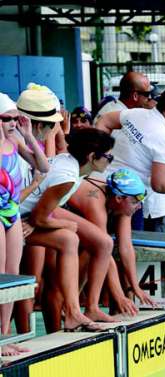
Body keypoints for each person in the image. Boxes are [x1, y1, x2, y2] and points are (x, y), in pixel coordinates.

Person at [18, 128, 115, 333]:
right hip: (16, 219)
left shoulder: (68, 162)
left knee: (95, 241)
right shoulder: (68, 177)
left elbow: (40, 212)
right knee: (69, 238)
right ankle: (72, 312)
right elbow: (38, 217)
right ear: (91, 157)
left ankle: (85, 309)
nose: (110, 161)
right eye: (108, 156)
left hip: (29, 214)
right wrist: (65, 224)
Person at [96, 84, 165, 233]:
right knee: (124, 247)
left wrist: (102, 155)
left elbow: (104, 121)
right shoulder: (164, 137)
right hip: (126, 198)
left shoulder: (137, 113)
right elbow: (160, 185)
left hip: (101, 184)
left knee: (100, 245)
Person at [67, 168, 155, 316]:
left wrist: (135, 286)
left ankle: (81, 307)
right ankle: (78, 309)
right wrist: (119, 295)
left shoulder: (125, 205)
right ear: (119, 198)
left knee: (95, 252)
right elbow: (104, 250)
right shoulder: (96, 203)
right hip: (53, 215)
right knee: (93, 251)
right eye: (135, 202)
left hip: (78, 230)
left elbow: (126, 248)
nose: (138, 206)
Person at [0, 93, 49, 355]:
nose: (12, 122)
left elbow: (43, 167)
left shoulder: (16, 140)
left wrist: (29, 135)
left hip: (12, 212)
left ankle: (5, 336)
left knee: (12, 273)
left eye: (14, 118)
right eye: (6, 118)